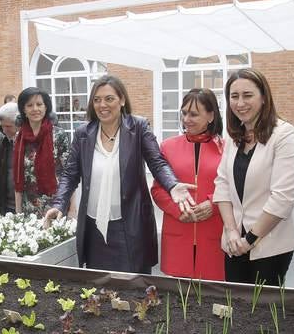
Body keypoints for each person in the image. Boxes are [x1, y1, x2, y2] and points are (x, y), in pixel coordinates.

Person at [45, 75, 195, 274]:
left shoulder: (138, 127)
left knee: (133, 291)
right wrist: (59, 204)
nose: (102, 105)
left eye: (109, 99)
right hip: (94, 228)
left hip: (130, 227)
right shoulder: (83, 134)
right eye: (97, 100)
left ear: (122, 100)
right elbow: (70, 174)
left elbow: (157, 162)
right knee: (98, 291)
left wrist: (172, 185)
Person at [213, 69, 294, 284]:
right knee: (235, 306)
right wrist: (232, 231)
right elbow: (222, 184)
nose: (240, 103)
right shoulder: (234, 137)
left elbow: (282, 198)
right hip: (234, 242)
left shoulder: (284, 135)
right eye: (234, 96)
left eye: (248, 95)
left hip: (269, 244)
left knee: (262, 312)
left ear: (263, 97)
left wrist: (250, 239)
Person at [151, 88, 226, 281]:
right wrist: (178, 211)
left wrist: (213, 205)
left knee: (212, 298)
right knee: (176, 302)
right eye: (184, 113)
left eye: (193, 114)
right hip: (177, 232)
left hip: (213, 234)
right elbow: (158, 190)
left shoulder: (227, 149)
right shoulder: (167, 146)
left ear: (211, 116)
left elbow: (234, 188)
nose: (186, 119)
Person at [14, 87, 70, 216]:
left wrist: (72, 208)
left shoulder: (58, 134)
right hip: (28, 208)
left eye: (39, 104)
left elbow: (68, 173)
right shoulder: (19, 137)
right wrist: (18, 212)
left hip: (56, 206)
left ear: (46, 107)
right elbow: (18, 176)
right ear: (24, 109)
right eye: (30, 105)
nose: (35, 109)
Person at [0, 102, 19, 212]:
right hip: (7, 207)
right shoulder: (1, 144)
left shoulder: (31, 144)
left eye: (8, 126)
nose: (4, 131)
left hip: (29, 205)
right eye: (2, 126)